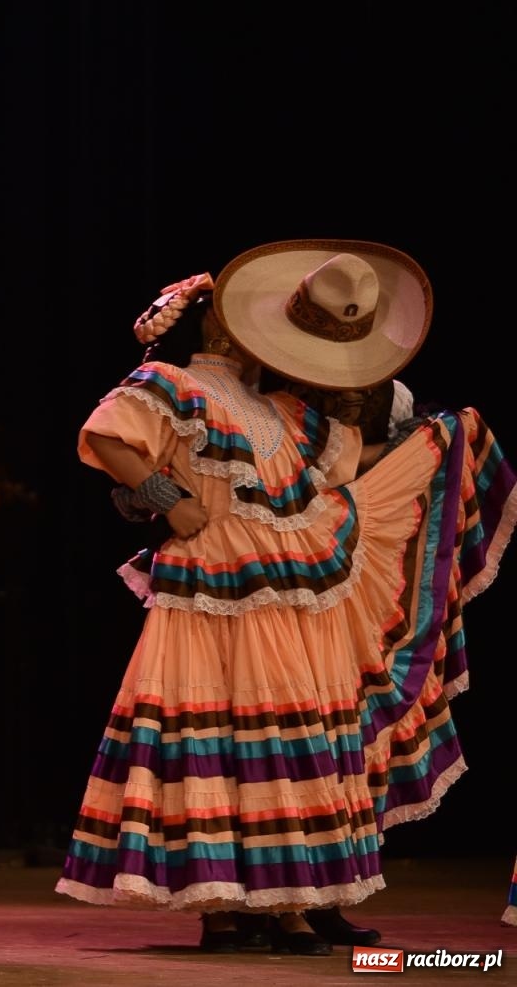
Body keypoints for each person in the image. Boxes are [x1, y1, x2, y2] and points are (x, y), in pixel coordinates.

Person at [56, 240, 512, 955]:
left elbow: (343, 467)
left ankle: (286, 900)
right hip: (216, 584)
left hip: (293, 584)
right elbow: (107, 435)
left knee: (287, 739)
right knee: (225, 737)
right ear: (217, 329)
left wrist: (420, 433)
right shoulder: (174, 385)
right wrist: (162, 498)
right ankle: (231, 906)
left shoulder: (283, 407)